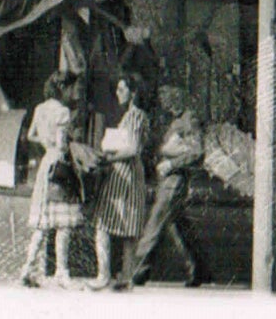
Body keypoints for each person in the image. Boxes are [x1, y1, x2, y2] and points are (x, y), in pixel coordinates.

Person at [127, 83, 210, 288]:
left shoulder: (188, 119)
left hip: (175, 180)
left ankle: (139, 270)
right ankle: (198, 268)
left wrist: (171, 163)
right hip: (171, 179)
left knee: (155, 221)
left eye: (167, 99)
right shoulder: (178, 119)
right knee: (178, 225)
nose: (164, 104)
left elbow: (197, 151)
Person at [20, 71, 84, 288]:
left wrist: (45, 142)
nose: (73, 92)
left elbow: (30, 136)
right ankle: (61, 272)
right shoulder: (63, 112)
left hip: (46, 164)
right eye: (71, 88)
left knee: (43, 224)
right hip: (60, 166)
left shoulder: (40, 109)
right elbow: (62, 144)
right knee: (63, 224)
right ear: (63, 88)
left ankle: (27, 268)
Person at [87, 73, 149, 290]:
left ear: (134, 93)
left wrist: (108, 157)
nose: (117, 93)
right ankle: (124, 277)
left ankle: (107, 275)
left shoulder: (134, 116)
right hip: (124, 174)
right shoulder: (129, 116)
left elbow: (132, 148)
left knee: (106, 225)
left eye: (122, 90)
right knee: (125, 228)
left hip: (125, 174)